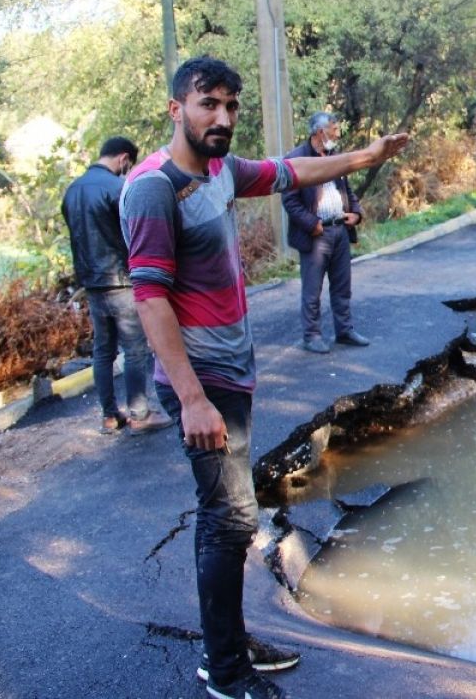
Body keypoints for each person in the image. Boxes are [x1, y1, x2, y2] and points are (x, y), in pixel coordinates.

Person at [120, 55, 409, 699]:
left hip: (231, 373)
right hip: (201, 381)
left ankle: (227, 640)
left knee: (230, 515)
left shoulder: (220, 170)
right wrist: (192, 399)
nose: (221, 118)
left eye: (230, 106)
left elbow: (292, 170)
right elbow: (149, 300)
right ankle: (224, 670)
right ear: (176, 109)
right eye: (207, 105)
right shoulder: (153, 187)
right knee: (227, 518)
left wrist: (365, 157)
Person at [61, 136, 172, 434]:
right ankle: (140, 414)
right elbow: (132, 234)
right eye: (129, 165)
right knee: (135, 349)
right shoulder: (117, 188)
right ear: (124, 159)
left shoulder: (72, 191)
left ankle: (110, 415)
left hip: (92, 284)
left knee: (103, 351)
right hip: (122, 281)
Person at [282, 112, 368, 353]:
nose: (338, 134)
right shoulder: (296, 159)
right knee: (312, 289)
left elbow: (347, 190)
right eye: (334, 129)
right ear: (320, 132)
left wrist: (357, 213)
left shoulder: (334, 157)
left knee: (342, 286)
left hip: (340, 229)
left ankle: (345, 331)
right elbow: (290, 201)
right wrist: (312, 224)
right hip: (316, 235)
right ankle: (311, 336)